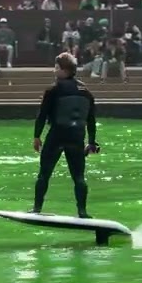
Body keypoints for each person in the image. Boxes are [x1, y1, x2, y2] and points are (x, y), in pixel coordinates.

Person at [31, 52, 99, 217]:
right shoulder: (86, 92)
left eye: (56, 68)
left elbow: (42, 116)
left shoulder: (53, 90)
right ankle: (82, 212)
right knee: (79, 177)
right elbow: (91, 119)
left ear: (63, 70)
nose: (54, 71)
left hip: (57, 136)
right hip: (77, 138)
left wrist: (37, 136)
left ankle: (37, 209)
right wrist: (91, 141)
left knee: (44, 174)